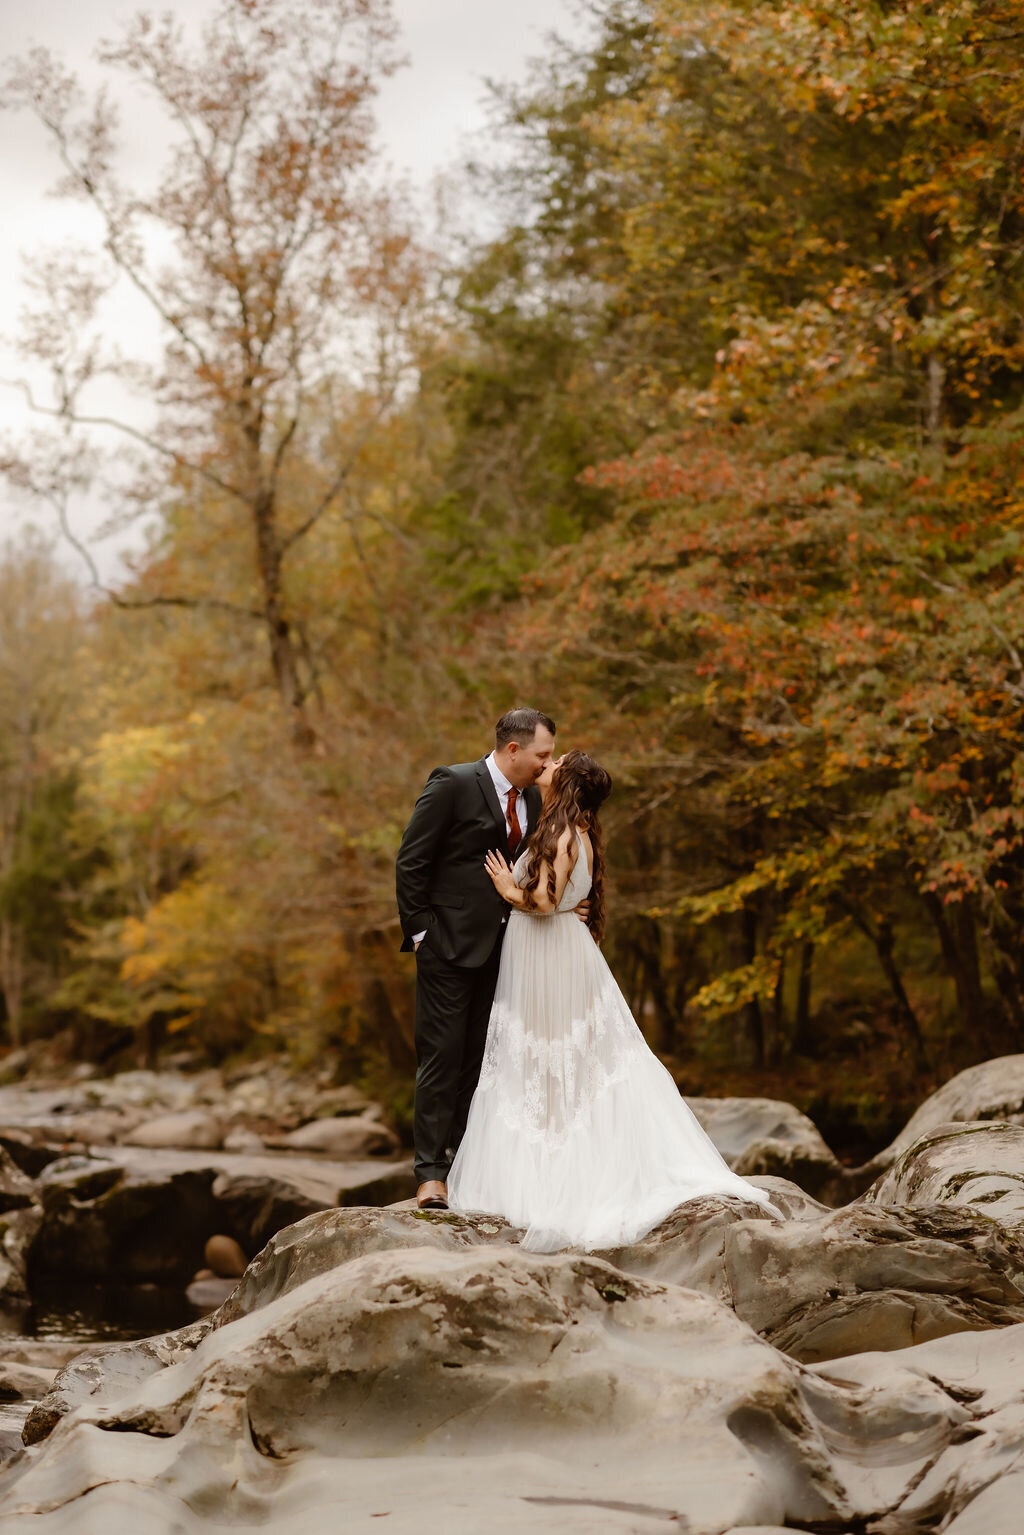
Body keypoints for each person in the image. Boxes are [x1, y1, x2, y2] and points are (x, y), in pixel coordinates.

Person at [447, 748, 773, 1250]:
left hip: (549, 955)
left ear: (568, 784)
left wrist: (507, 887)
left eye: (557, 763)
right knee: (558, 1060)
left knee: (553, 1057)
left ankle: (557, 1177)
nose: (548, 765)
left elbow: (543, 903)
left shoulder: (559, 834)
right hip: (553, 952)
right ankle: (556, 1166)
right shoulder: (572, 831)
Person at [397, 707, 573, 1211]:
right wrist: (422, 932)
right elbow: (412, 860)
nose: (547, 763)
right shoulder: (452, 783)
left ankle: (465, 1169)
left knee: (483, 1060)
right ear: (512, 749)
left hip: (510, 949)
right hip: (447, 946)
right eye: (542, 754)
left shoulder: (537, 798)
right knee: (441, 1056)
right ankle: (430, 1176)